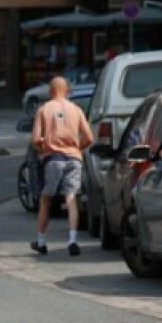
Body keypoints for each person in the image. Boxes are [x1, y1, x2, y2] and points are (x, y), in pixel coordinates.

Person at [30, 75, 94, 257]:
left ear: (50, 91)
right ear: (68, 91)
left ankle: (41, 241)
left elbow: (35, 139)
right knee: (71, 199)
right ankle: (72, 240)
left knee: (46, 199)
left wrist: (44, 148)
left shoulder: (44, 109)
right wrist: (76, 148)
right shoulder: (76, 110)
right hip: (74, 158)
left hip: (53, 159)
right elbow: (89, 137)